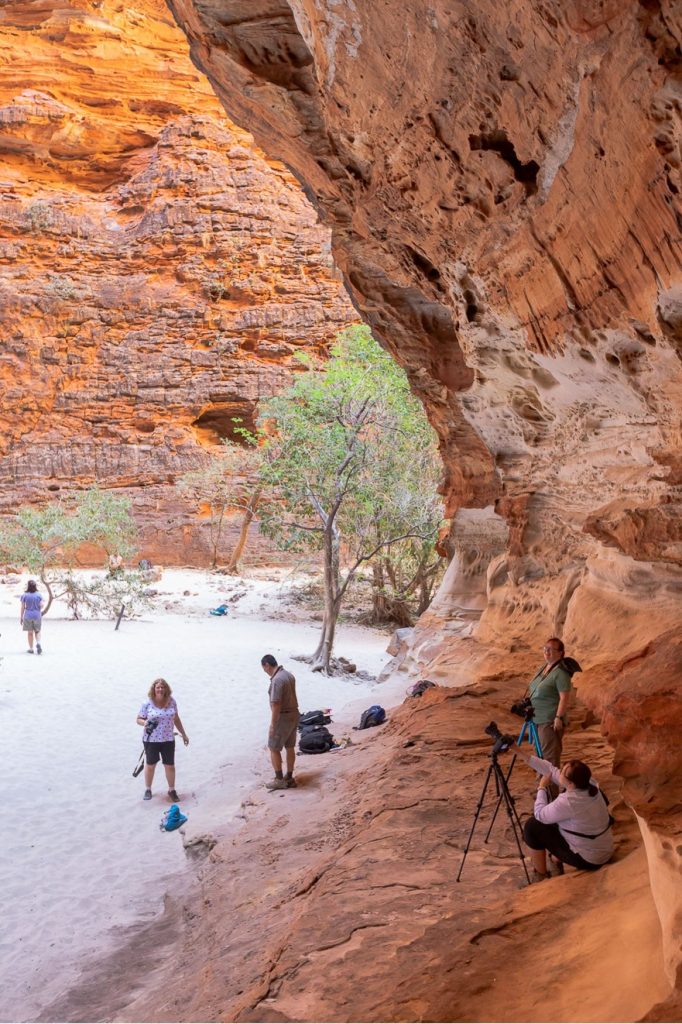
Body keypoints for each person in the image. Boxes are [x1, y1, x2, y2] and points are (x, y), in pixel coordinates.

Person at [520, 750, 614, 883]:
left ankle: (540, 875)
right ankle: (555, 860)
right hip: (604, 850)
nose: (559, 772)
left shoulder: (569, 801)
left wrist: (541, 788)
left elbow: (540, 814)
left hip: (589, 860)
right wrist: (518, 751)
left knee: (532, 826)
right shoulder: (590, 783)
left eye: (563, 772)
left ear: (570, 784)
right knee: (560, 821)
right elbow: (550, 770)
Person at [136, 678, 189, 802]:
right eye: (158, 687)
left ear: (166, 689)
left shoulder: (172, 702)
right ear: (154, 689)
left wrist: (184, 734)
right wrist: (146, 722)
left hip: (168, 739)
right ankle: (148, 789)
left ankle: (171, 790)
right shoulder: (147, 703)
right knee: (150, 765)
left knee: (170, 766)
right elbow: (138, 719)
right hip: (151, 740)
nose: (160, 689)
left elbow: (176, 719)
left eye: (162, 687)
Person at [527, 637, 572, 767]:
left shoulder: (561, 673)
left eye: (551, 649)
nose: (547, 652)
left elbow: (564, 698)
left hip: (549, 721)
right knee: (539, 757)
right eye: (545, 649)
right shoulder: (543, 668)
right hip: (536, 719)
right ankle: (542, 786)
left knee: (550, 759)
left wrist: (558, 718)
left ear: (560, 653)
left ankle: (550, 787)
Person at [260, 654, 300, 791]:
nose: (264, 671)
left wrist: (273, 724)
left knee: (273, 748)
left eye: (264, 668)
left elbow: (276, 704)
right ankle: (289, 777)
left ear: (267, 665)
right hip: (294, 714)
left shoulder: (277, 680)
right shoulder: (288, 675)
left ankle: (279, 780)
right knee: (290, 747)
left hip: (283, 717)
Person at [20, 580, 44, 654]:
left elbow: (23, 607)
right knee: (38, 631)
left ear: (28, 586)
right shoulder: (39, 595)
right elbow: (42, 605)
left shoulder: (24, 595)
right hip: (37, 615)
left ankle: (31, 649)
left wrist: (21, 617)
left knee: (30, 633)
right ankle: (39, 643)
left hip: (28, 615)